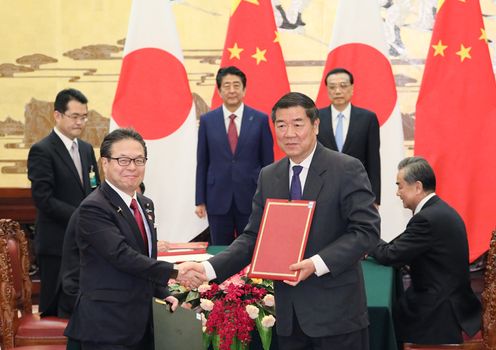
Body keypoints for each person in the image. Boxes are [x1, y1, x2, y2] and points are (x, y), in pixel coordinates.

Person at [185, 92, 380, 350]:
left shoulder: (346, 168)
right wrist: (208, 269)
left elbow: (366, 232)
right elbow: (253, 237)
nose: (289, 133)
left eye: (298, 124)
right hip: (290, 318)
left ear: (316, 125)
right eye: (281, 125)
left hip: (337, 316)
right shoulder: (270, 175)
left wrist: (316, 263)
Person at [64, 128, 204, 350]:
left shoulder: (145, 204)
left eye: (139, 160)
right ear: (105, 163)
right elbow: (121, 256)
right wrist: (175, 271)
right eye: (123, 160)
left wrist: (162, 292)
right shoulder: (93, 207)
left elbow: (144, 257)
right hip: (106, 327)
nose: (132, 167)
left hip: (142, 323)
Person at [370, 156, 481, 345]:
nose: (398, 193)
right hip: (449, 300)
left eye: (400, 186)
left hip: (439, 312)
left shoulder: (427, 219)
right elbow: (396, 247)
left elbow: (390, 255)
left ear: (418, 187)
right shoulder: (437, 211)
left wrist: (366, 236)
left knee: (379, 318)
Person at [27, 88, 100, 313]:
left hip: (84, 242)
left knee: (80, 304)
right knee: (52, 305)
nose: (80, 122)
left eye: (84, 116)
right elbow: (43, 199)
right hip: (55, 242)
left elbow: (93, 189)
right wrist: (82, 217)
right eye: (75, 116)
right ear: (57, 115)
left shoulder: (86, 149)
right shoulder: (42, 150)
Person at [195, 66, 274, 245]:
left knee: (251, 247)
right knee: (220, 250)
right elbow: (203, 161)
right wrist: (200, 200)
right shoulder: (208, 121)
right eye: (227, 86)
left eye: (236, 85)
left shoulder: (260, 119)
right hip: (217, 197)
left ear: (244, 89)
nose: (232, 90)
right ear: (219, 90)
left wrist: (268, 197)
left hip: (251, 196)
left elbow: (268, 163)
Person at [317, 67, 381, 205]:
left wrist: (375, 199)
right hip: (323, 190)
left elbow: (373, 160)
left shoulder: (367, 118)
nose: (338, 91)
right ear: (327, 90)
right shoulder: (316, 118)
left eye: (343, 86)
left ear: (352, 88)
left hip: (358, 189)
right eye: (332, 87)